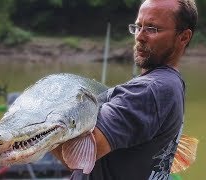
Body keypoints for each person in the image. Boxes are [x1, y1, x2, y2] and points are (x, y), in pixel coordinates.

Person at [51, 0, 198, 179]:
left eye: (152, 28)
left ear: (183, 37)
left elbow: (78, 157)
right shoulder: (173, 83)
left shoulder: (152, 89)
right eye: (138, 26)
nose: (140, 36)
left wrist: (39, 125)